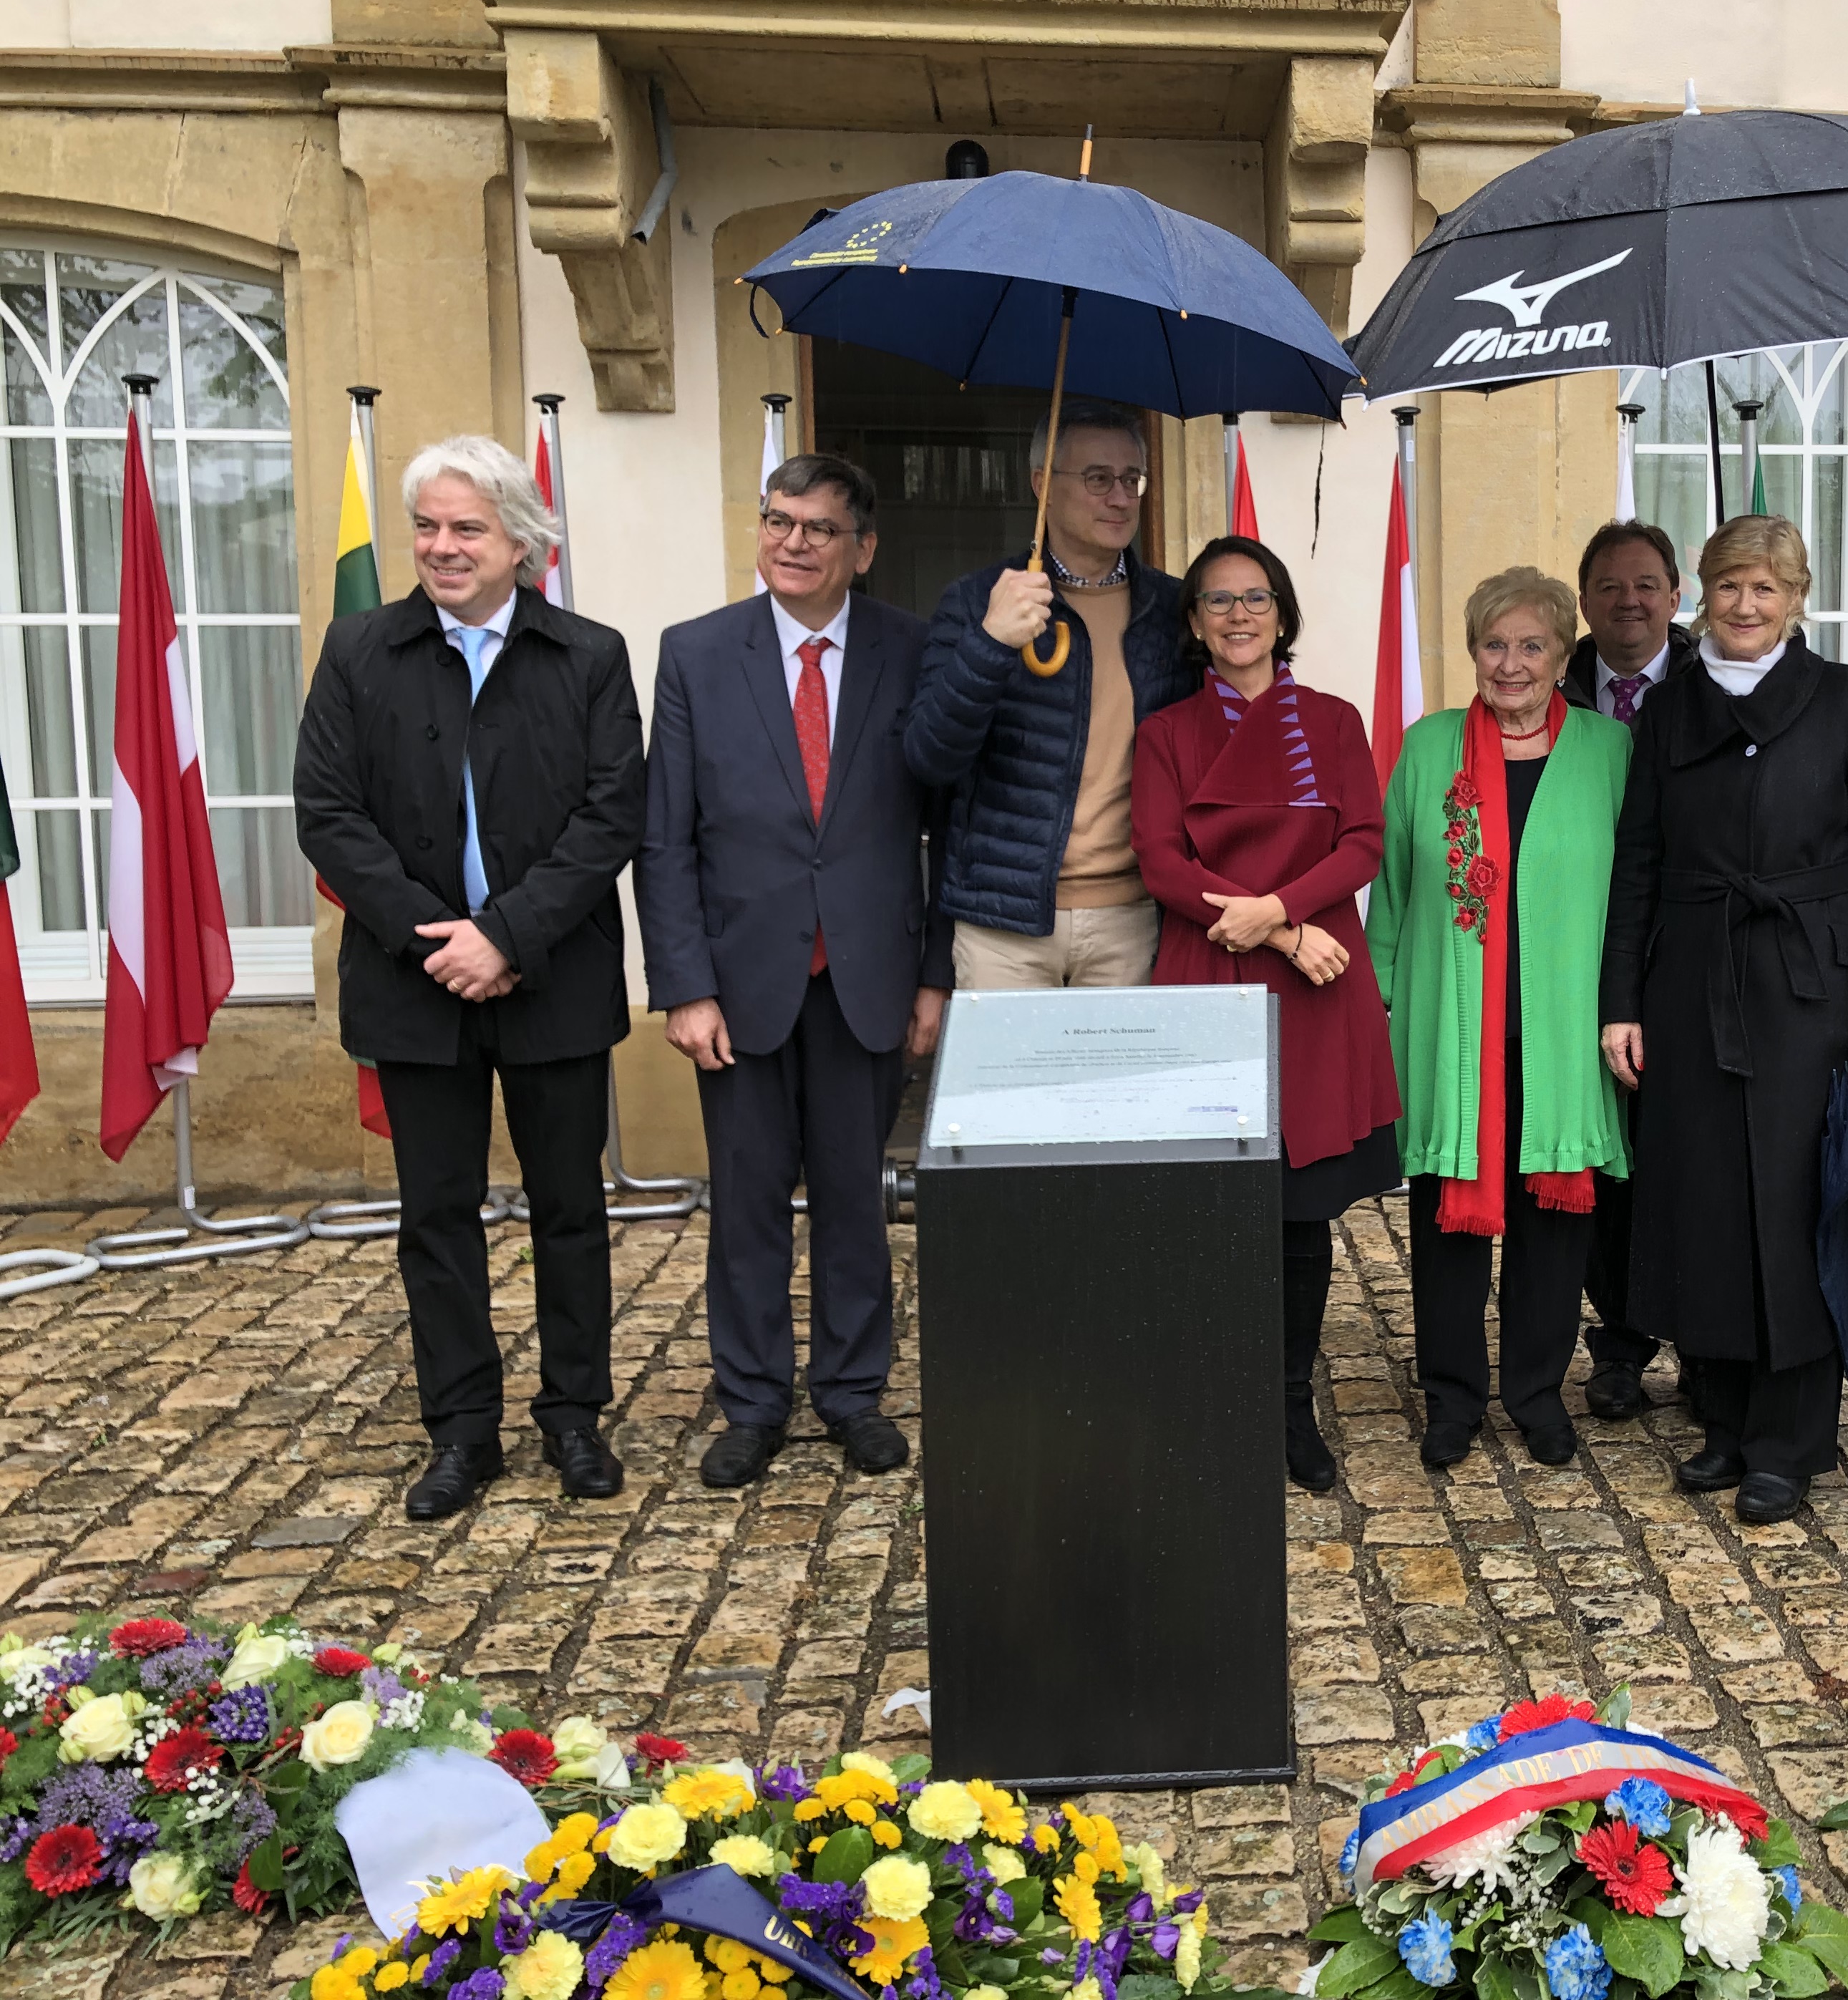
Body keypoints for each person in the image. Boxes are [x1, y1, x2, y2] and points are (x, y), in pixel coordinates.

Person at [295, 436, 645, 1523]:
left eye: (468, 529)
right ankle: (462, 1433)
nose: (443, 548)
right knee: (436, 1214)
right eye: (430, 527)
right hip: (414, 985)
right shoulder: (360, 650)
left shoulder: (588, 654)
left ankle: (575, 1416)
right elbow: (328, 816)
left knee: (569, 1207)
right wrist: (435, 938)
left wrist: (507, 936)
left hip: (553, 977)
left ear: (521, 543)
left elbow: (610, 816)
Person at [637, 453, 953, 1490]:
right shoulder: (695, 653)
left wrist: (934, 974)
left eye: (820, 528)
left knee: (858, 1200)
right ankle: (755, 1401)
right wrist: (682, 984)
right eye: (779, 520)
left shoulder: (913, 651)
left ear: (862, 548)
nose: (794, 542)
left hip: (868, 975)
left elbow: (946, 829)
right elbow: (666, 837)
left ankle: (853, 1395)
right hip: (738, 983)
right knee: (748, 1204)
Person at [1603, 515, 1848, 1525]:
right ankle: (1728, 1421)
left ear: (1799, 598)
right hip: (1689, 983)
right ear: (1702, 592)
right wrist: (1620, 1002)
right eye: (1729, 586)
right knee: (1703, 1203)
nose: (1746, 606)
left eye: (1767, 589)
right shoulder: (1670, 707)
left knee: (1793, 1206)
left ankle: (1793, 1440)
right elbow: (1640, 861)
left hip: (1807, 986)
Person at [1132, 537, 1402, 1494]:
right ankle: (1214, 1400)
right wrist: (1277, 930)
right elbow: (1163, 863)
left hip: (1315, 985)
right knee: (1211, 1210)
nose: (1238, 616)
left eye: (1255, 599)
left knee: (1297, 1215)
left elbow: (1363, 841)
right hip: (1215, 967)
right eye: (1217, 601)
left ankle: (1290, 1407)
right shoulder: (1164, 732)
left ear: (1283, 616)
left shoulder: (1332, 721)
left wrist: (1282, 914)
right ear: (1195, 625)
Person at [1371, 567, 1632, 1472]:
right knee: (1449, 1223)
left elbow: (1635, 895)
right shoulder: (1428, 745)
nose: (1510, 664)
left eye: (1531, 646)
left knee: (1553, 1230)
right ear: (1472, 651)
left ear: (1565, 655)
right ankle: (1451, 1399)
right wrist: (1384, 997)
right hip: (1453, 1035)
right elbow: (1395, 894)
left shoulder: (1609, 750)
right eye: (1493, 644)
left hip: (1563, 1034)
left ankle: (1533, 1394)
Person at [904, 397, 1195, 986]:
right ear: (1043, 485)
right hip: (1003, 927)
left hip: (1133, 920)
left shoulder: (1171, 609)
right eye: (1097, 478)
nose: (1119, 497)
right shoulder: (978, 600)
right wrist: (991, 643)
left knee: (1127, 1086)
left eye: (1131, 479)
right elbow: (929, 758)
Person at [1560, 519, 1694, 1424]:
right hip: (1580, 957)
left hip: (1689, 956)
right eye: (1610, 586)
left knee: (1689, 1161)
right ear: (1585, 601)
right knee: (1608, 1167)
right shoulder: (1546, 684)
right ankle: (1616, 1346)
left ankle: (1702, 1338)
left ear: (1677, 595)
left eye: (1647, 584)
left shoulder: (1720, 681)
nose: (1630, 602)